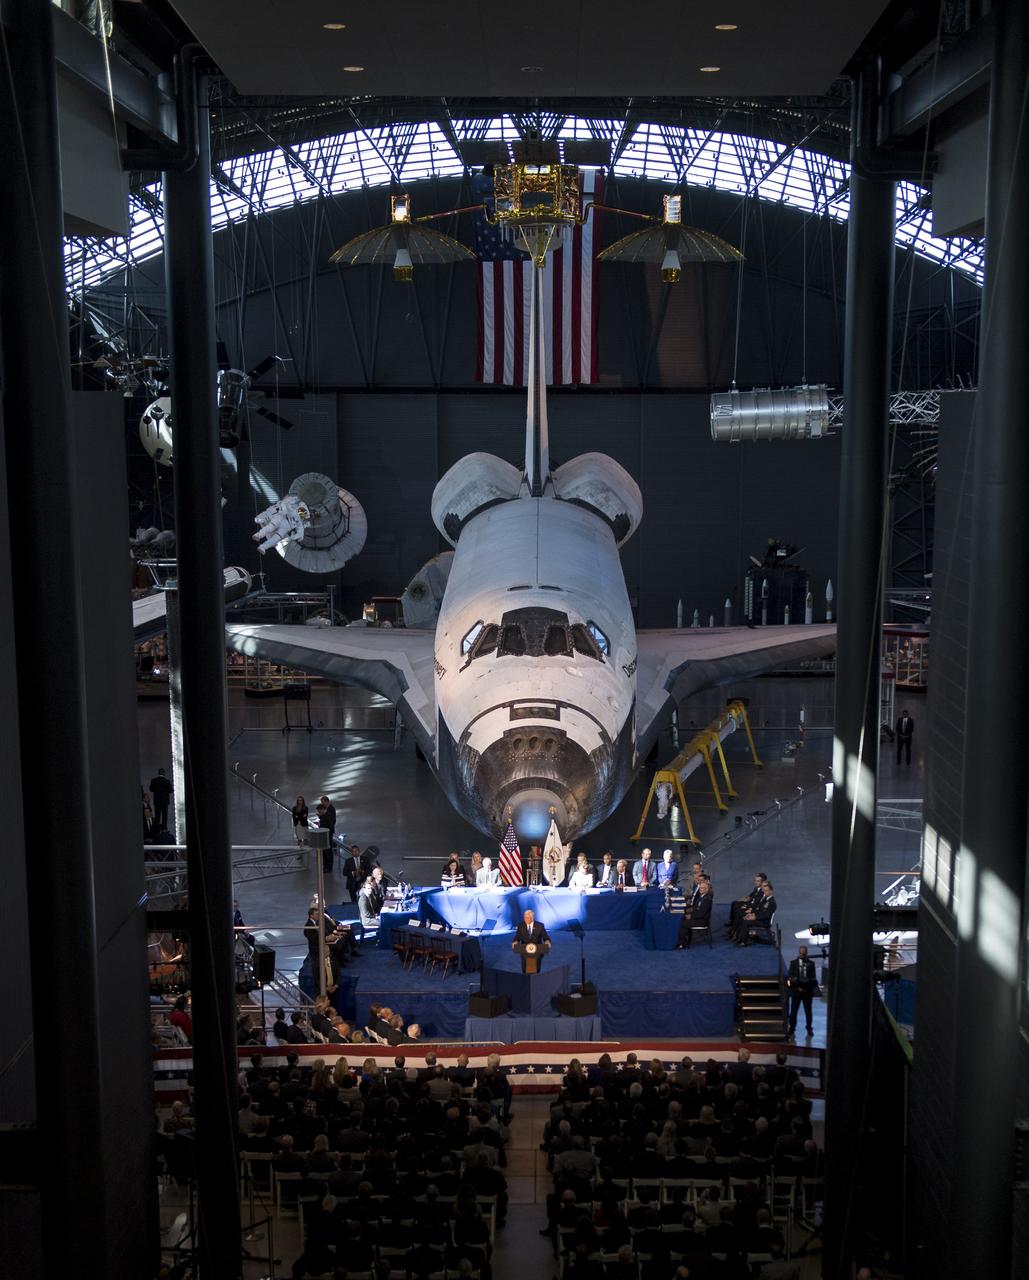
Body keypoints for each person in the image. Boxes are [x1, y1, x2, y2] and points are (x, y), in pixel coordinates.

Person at [786, 945, 819, 1038]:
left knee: (808, 1012)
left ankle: (809, 1029)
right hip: (796, 992)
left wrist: (806, 987)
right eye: (801, 952)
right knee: (793, 1012)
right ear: (799, 952)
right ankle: (792, 1029)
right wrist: (797, 987)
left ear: (806, 952)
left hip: (807, 992)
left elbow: (813, 978)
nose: (803, 954)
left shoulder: (811, 964)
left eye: (804, 952)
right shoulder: (793, 963)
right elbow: (790, 976)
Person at [677, 880, 713, 947]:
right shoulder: (701, 896)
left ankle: (682, 943)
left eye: (702, 888)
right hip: (697, 917)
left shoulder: (707, 900)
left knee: (683, 923)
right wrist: (686, 911)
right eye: (700, 888)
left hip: (702, 921)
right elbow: (695, 908)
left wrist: (690, 916)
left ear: (707, 889)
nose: (700, 889)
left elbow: (701, 914)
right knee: (681, 918)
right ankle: (682, 939)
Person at [316, 796, 336, 873]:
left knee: (328, 851)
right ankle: (325, 866)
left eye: (323, 802)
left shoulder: (331, 809)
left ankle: (329, 867)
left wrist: (323, 815)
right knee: (324, 851)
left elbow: (332, 822)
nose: (322, 804)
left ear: (327, 801)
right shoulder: (325, 809)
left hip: (328, 832)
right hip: (323, 833)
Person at [149, 767, 173, 831]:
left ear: (158, 773)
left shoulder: (154, 780)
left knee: (157, 815)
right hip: (165, 801)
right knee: (164, 815)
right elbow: (171, 790)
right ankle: (164, 828)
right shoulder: (167, 781)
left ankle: (157, 829)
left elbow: (151, 789)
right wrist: (165, 791)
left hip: (157, 801)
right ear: (164, 773)